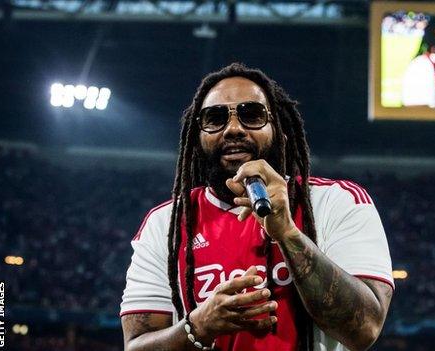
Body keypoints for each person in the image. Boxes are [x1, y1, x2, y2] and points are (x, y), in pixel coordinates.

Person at [119, 63, 394, 351]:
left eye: (252, 115)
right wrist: (199, 326)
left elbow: (364, 329)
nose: (234, 129)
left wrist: (287, 233)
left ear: (279, 130)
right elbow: (137, 346)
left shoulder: (338, 202)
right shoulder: (165, 224)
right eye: (215, 118)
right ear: (196, 139)